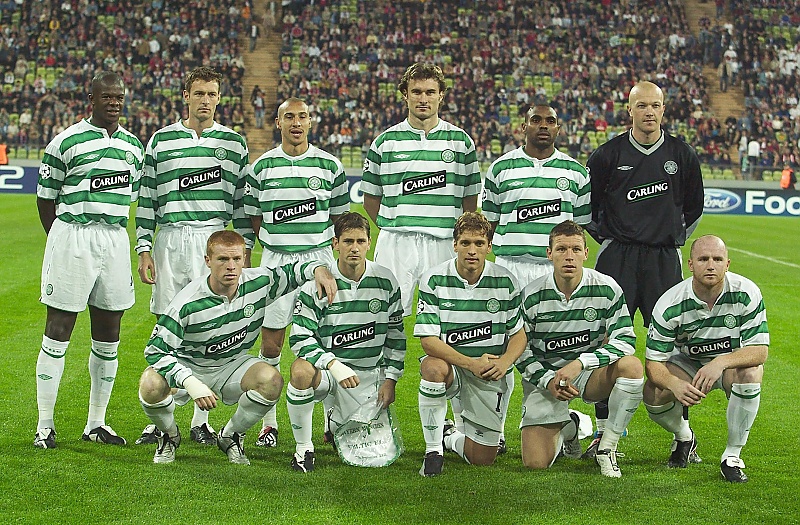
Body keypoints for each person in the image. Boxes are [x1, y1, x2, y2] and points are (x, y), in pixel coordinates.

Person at [138, 230, 337, 465]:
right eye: (223, 259)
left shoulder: (258, 283)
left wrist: (319, 270)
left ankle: (231, 435)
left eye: (236, 259)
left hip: (231, 365)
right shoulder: (186, 303)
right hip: (190, 366)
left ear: (244, 259)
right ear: (208, 261)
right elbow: (154, 351)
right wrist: (191, 383)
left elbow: (294, 271)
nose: (230, 266)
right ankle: (169, 436)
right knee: (151, 385)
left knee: (271, 380)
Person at [585, 80, 704, 458]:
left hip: (662, 259)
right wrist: (611, 237)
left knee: (672, 345)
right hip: (617, 257)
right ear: (629, 110)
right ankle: (603, 434)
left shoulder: (681, 154)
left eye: (656, 106)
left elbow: (694, 206)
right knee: (606, 341)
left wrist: (669, 235)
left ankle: (682, 435)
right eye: (642, 106)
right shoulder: (607, 154)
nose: (649, 112)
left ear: (664, 111)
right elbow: (588, 209)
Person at [134, 66, 252, 447]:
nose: (205, 100)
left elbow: (240, 203)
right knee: (167, 326)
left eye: (212, 94)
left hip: (213, 241)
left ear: (219, 98)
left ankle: (203, 419)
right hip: (171, 239)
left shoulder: (234, 143)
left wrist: (244, 250)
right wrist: (143, 247)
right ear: (185, 95)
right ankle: (161, 419)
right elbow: (149, 199)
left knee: (215, 325)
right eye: (198, 93)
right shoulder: (161, 140)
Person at [34, 71, 145, 449]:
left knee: (109, 332)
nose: (114, 102)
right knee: (59, 328)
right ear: (92, 99)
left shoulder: (133, 147)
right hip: (73, 236)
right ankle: (45, 425)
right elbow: (45, 200)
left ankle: (96, 423)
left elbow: (130, 199)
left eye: (119, 96)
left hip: (113, 238)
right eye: (107, 96)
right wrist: (62, 240)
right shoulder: (65, 141)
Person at [482, 103, 591, 453]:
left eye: (550, 121)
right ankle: (493, 432)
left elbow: (581, 227)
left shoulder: (575, 172)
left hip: (551, 269)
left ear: (559, 128)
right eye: (536, 120)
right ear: (524, 125)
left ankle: (561, 420)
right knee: (500, 348)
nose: (543, 126)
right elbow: (489, 222)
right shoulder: (501, 168)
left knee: (549, 348)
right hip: (509, 266)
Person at [244, 97, 350, 448]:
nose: (296, 123)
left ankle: (332, 424)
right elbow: (253, 219)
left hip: (319, 262)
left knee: (323, 341)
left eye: (302, 117)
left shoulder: (329, 165)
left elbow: (340, 220)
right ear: (278, 122)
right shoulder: (262, 167)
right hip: (275, 261)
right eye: (289, 117)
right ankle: (269, 424)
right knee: (271, 343)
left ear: (310, 122)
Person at [516, 220, 642, 478]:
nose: (569, 256)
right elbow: (520, 351)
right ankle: (571, 426)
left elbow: (626, 340)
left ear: (586, 253)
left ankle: (607, 447)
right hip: (547, 378)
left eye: (575, 249)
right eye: (561, 249)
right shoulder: (531, 296)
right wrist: (548, 380)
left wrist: (582, 363)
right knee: (535, 463)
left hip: (587, 374)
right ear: (549, 254)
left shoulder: (607, 288)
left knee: (632, 366)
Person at [285, 212, 406, 472]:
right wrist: (333, 365)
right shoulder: (316, 286)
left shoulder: (386, 281)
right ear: (335, 243)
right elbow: (299, 338)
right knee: (300, 370)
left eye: (360, 241)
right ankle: (303, 448)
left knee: (371, 454)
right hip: (330, 372)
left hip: (368, 375)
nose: (354, 248)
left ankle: (334, 422)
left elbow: (396, 335)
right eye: (348, 241)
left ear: (369, 243)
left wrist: (390, 379)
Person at [643, 235, 768, 483]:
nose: (710, 265)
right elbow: (653, 363)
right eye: (703, 259)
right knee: (653, 394)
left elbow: (759, 351)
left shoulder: (746, 292)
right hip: (687, 364)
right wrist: (673, 383)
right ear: (690, 264)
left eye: (717, 259)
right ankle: (684, 436)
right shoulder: (669, 303)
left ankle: (732, 456)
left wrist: (720, 362)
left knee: (752, 372)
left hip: (728, 365)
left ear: (727, 263)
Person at [361, 62, 481, 318]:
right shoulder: (386, 141)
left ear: (441, 95)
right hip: (396, 241)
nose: (423, 98)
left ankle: (440, 361)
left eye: (429, 92)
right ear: (405, 95)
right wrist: (391, 225)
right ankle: (386, 360)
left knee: (447, 317)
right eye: (416, 92)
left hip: (444, 240)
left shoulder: (461, 142)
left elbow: (469, 199)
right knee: (384, 315)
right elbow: (371, 198)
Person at [415, 212, 527, 476]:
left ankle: (449, 436)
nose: (472, 251)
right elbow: (428, 341)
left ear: (489, 246)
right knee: (432, 368)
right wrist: (469, 364)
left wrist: (505, 361)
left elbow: (518, 334)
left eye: (479, 243)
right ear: (454, 245)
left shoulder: (506, 280)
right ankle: (433, 451)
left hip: (488, 374)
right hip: (454, 368)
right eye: (465, 243)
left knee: (482, 459)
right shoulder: (433, 279)